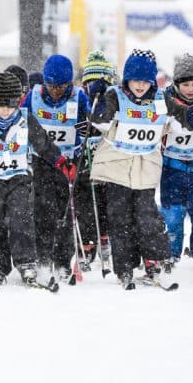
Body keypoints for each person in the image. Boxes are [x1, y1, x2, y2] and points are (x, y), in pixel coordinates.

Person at [90, 49, 193, 287]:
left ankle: (153, 261)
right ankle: (125, 267)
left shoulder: (161, 100)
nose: (140, 86)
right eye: (135, 80)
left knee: (147, 218)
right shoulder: (115, 96)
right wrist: (96, 99)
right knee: (120, 220)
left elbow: (185, 122)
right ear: (126, 79)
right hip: (115, 169)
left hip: (145, 171)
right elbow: (99, 122)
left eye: (145, 81)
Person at [0, 72, 65, 287]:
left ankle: (26, 262)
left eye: (10, 106)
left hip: (18, 177)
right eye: (1, 105)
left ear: (18, 102)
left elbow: (42, 143)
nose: (6, 111)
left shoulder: (24, 118)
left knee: (21, 218)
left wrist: (60, 161)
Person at [21, 54, 90, 281]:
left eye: (61, 86)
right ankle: (43, 257)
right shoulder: (34, 96)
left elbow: (85, 126)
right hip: (43, 161)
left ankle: (62, 260)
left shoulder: (78, 97)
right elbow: (21, 120)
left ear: (69, 83)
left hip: (69, 162)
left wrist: (84, 131)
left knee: (66, 212)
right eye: (52, 86)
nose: (56, 91)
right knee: (42, 210)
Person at [159, 54, 193, 270]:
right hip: (173, 167)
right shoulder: (166, 102)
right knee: (173, 216)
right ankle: (171, 253)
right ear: (177, 83)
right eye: (186, 84)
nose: (191, 89)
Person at [77, 50, 115, 268]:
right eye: (90, 81)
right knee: (85, 202)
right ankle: (87, 241)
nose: (94, 86)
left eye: (100, 81)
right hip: (85, 159)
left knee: (106, 200)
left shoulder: (112, 100)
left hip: (108, 159)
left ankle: (105, 237)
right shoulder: (81, 99)